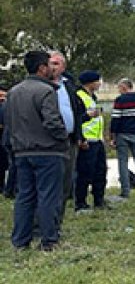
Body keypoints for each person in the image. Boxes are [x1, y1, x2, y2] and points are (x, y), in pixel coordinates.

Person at [6, 51, 68, 251]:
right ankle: (49, 240)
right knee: (48, 196)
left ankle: (20, 240)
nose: (52, 68)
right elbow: (52, 121)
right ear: (42, 68)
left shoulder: (14, 92)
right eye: (50, 64)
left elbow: (8, 121)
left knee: (24, 196)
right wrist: (62, 137)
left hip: (22, 151)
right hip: (48, 151)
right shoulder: (46, 91)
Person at [47, 51, 86, 230]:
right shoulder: (41, 86)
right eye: (50, 63)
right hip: (48, 141)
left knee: (65, 183)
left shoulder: (68, 86)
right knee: (48, 185)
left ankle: (56, 223)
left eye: (56, 63)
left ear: (63, 67)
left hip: (69, 140)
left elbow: (77, 111)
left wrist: (79, 135)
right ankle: (41, 225)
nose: (52, 67)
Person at [73, 71, 109, 212]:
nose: (100, 84)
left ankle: (99, 200)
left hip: (97, 139)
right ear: (90, 82)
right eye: (98, 81)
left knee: (100, 171)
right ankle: (80, 202)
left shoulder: (92, 96)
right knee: (84, 173)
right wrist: (81, 138)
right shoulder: (79, 96)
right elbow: (76, 119)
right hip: (87, 140)